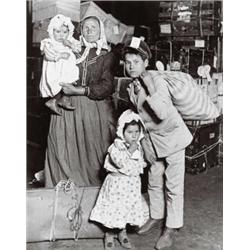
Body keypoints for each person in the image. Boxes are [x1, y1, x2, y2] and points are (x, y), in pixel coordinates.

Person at [123, 37, 193, 250]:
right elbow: (140, 118)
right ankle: (156, 215)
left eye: (136, 61)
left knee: (173, 186)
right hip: (153, 140)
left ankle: (171, 227)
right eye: (127, 62)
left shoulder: (156, 80)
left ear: (146, 62)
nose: (131, 66)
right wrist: (144, 145)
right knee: (153, 179)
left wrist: (149, 82)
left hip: (172, 138)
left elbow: (161, 112)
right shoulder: (131, 86)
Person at [44, 15, 118, 187]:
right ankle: (64, 191)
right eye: (85, 27)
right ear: (80, 31)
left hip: (93, 107)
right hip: (66, 106)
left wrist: (78, 90)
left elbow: (107, 86)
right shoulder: (71, 49)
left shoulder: (108, 55)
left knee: (93, 153)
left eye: (93, 27)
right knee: (62, 148)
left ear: (101, 30)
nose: (89, 30)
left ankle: (93, 193)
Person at [90, 109, 147, 249]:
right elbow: (120, 162)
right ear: (122, 132)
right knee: (114, 210)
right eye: (130, 132)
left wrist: (139, 158)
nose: (133, 136)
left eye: (136, 132)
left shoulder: (138, 147)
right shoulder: (116, 147)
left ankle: (122, 233)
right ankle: (109, 234)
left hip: (130, 186)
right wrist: (130, 151)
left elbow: (140, 164)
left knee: (126, 209)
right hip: (117, 185)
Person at [39, 14, 81, 115]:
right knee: (57, 84)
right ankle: (53, 100)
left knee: (70, 81)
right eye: (58, 32)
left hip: (67, 69)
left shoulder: (69, 41)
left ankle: (63, 99)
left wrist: (69, 44)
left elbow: (79, 49)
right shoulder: (49, 42)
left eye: (65, 32)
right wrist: (60, 55)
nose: (61, 35)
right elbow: (48, 55)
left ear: (69, 32)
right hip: (55, 69)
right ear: (52, 31)